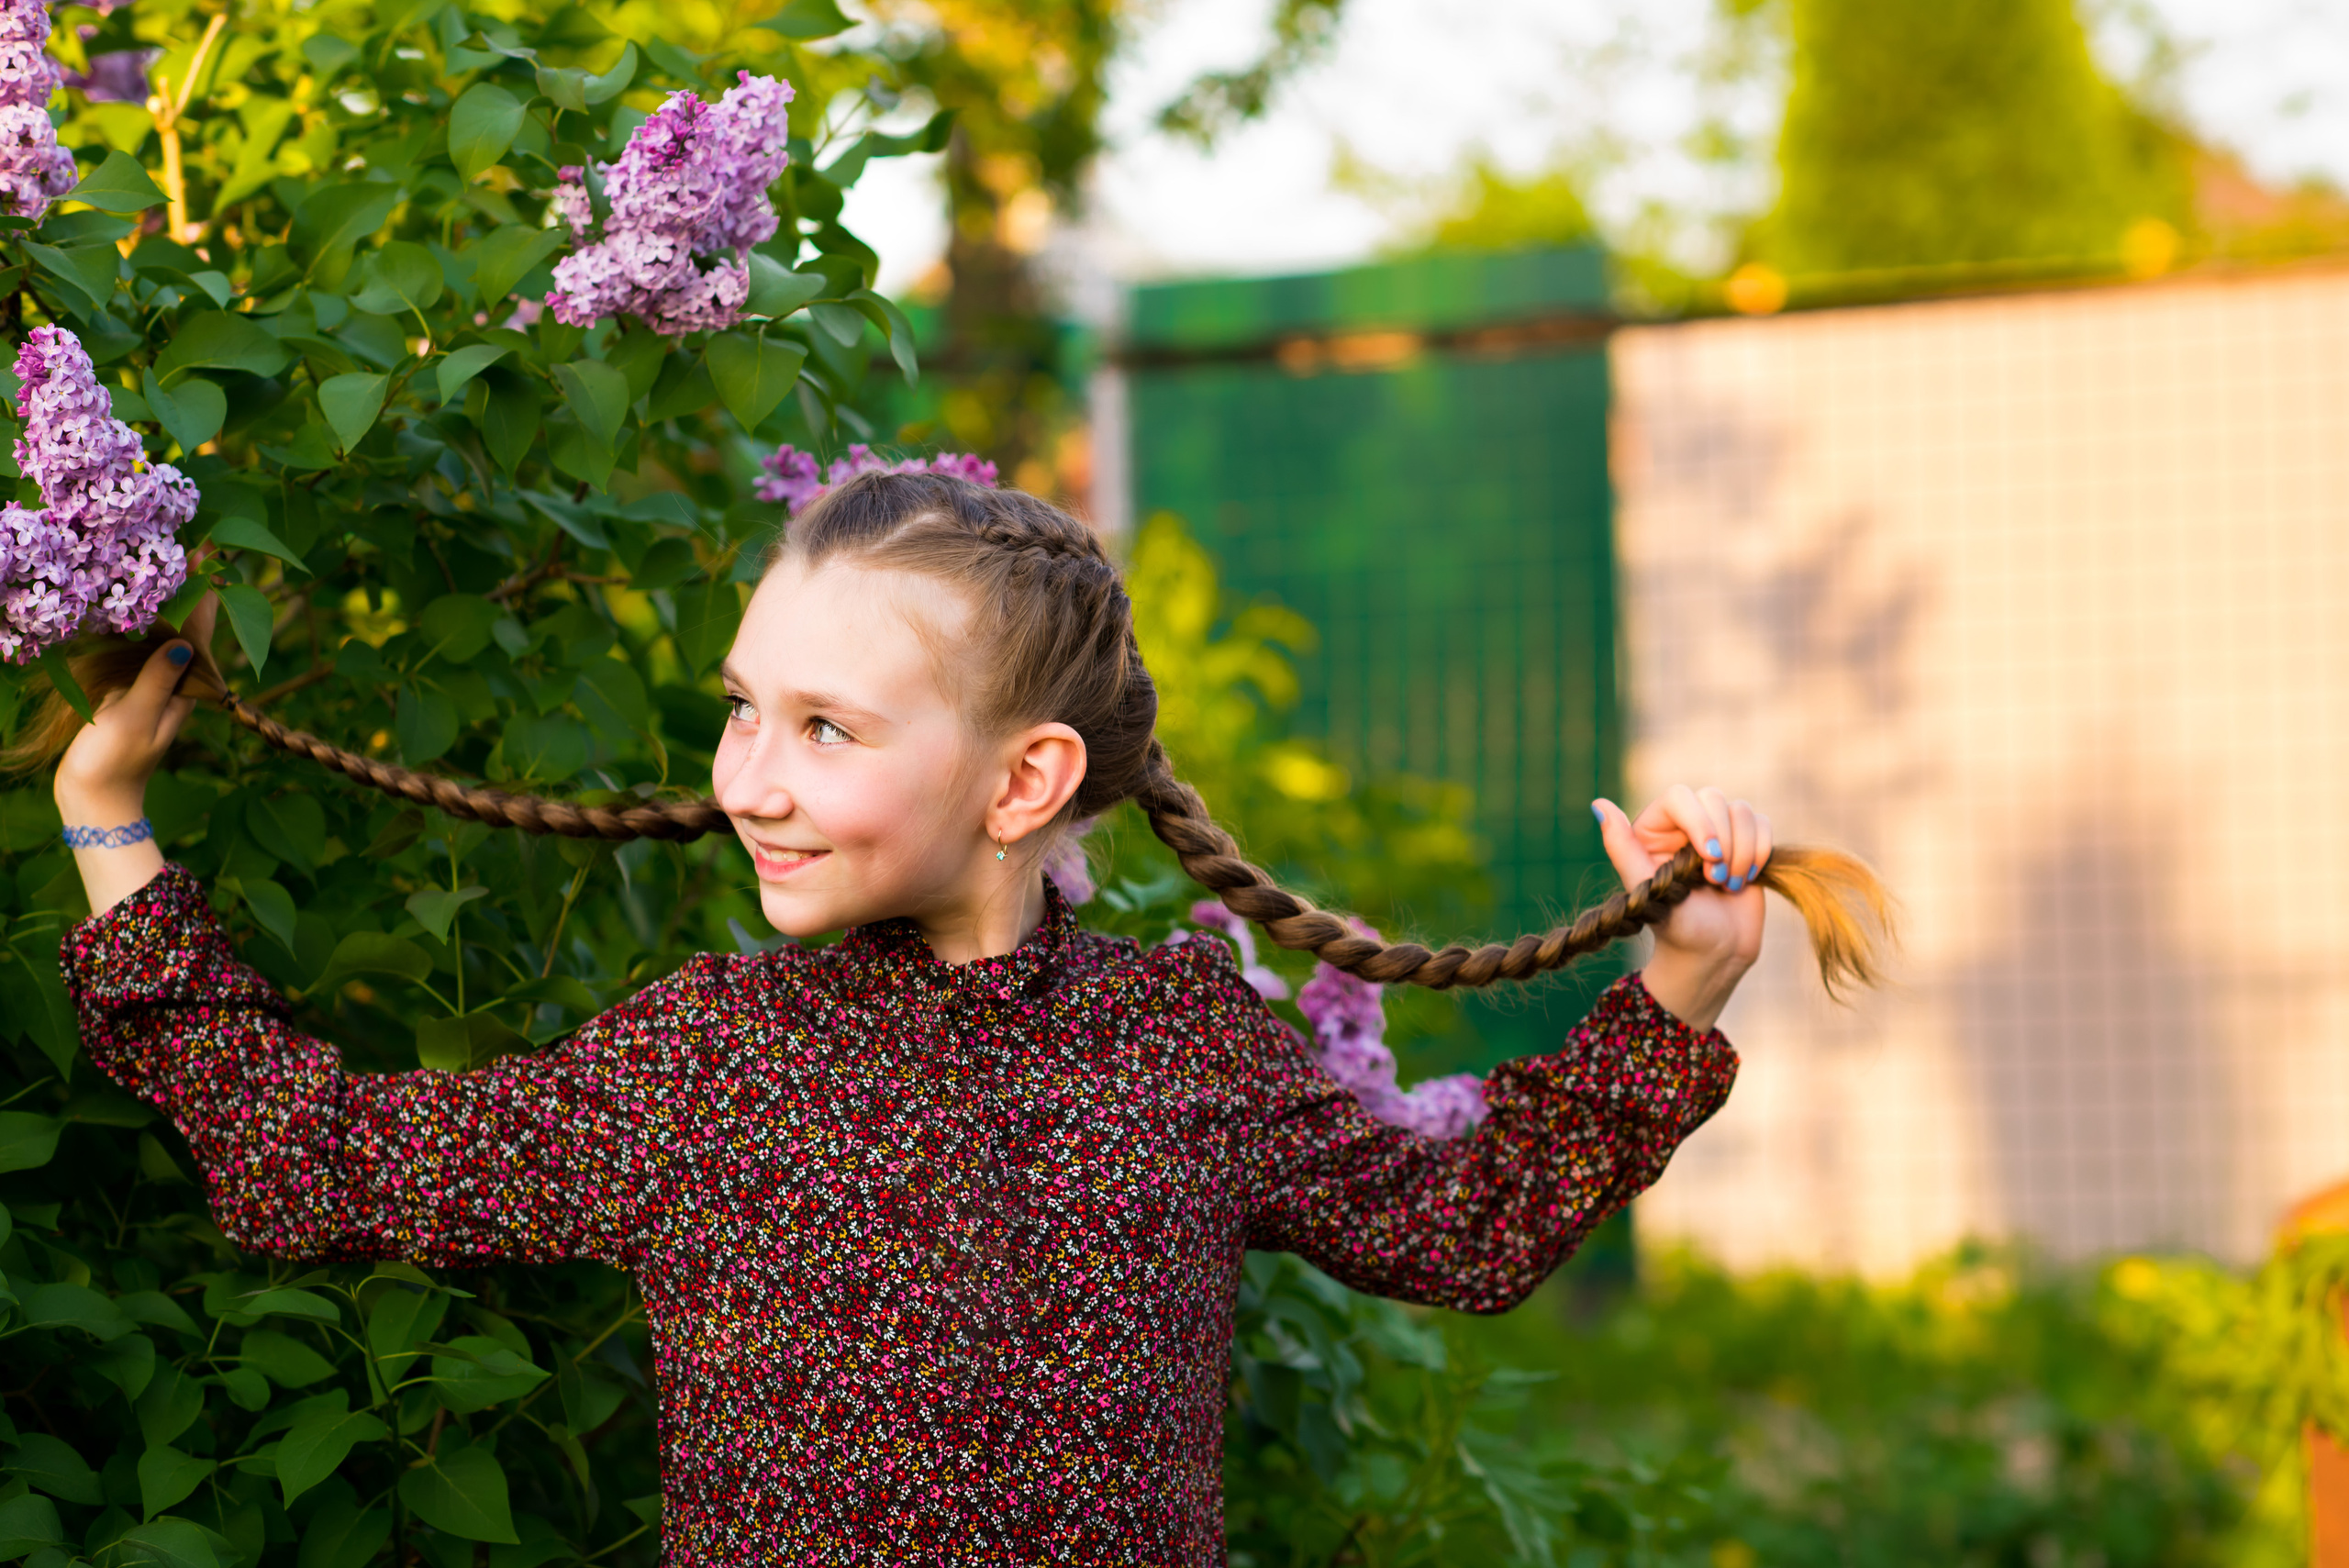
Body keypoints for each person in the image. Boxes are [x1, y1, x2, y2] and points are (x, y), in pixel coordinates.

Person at [51, 471, 1855, 1564]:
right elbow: (317, 1164)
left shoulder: (1178, 1047)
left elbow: (1460, 1228)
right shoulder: (701, 1062)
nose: (751, 776)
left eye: (827, 730)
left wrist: (1675, 983)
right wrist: (106, 828)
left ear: (1023, 781)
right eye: (743, 708)